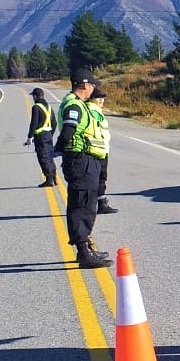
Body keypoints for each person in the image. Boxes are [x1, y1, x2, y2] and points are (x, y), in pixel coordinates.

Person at [54, 68, 112, 269]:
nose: (94, 88)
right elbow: (68, 130)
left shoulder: (78, 103)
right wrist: (59, 148)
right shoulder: (74, 105)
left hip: (86, 160)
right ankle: (83, 252)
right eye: (92, 85)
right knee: (82, 205)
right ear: (85, 85)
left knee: (87, 204)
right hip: (81, 160)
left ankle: (86, 247)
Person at [86, 89, 118, 215]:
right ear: (91, 98)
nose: (101, 100)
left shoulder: (97, 110)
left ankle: (100, 203)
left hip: (101, 150)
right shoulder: (92, 110)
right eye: (98, 98)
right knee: (97, 179)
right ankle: (98, 204)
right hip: (95, 150)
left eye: (102, 98)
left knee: (101, 178)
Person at [24, 87, 58, 187]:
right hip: (48, 135)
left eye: (33, 96)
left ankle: (49, 179)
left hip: (40, 137)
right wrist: (50, 134)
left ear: (35, 96)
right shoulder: (48, 107)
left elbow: (34, 123)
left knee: (43, 158)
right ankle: (54, 177)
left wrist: (30, 137)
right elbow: (54, 123)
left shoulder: (36, 108)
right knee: (50, 157)